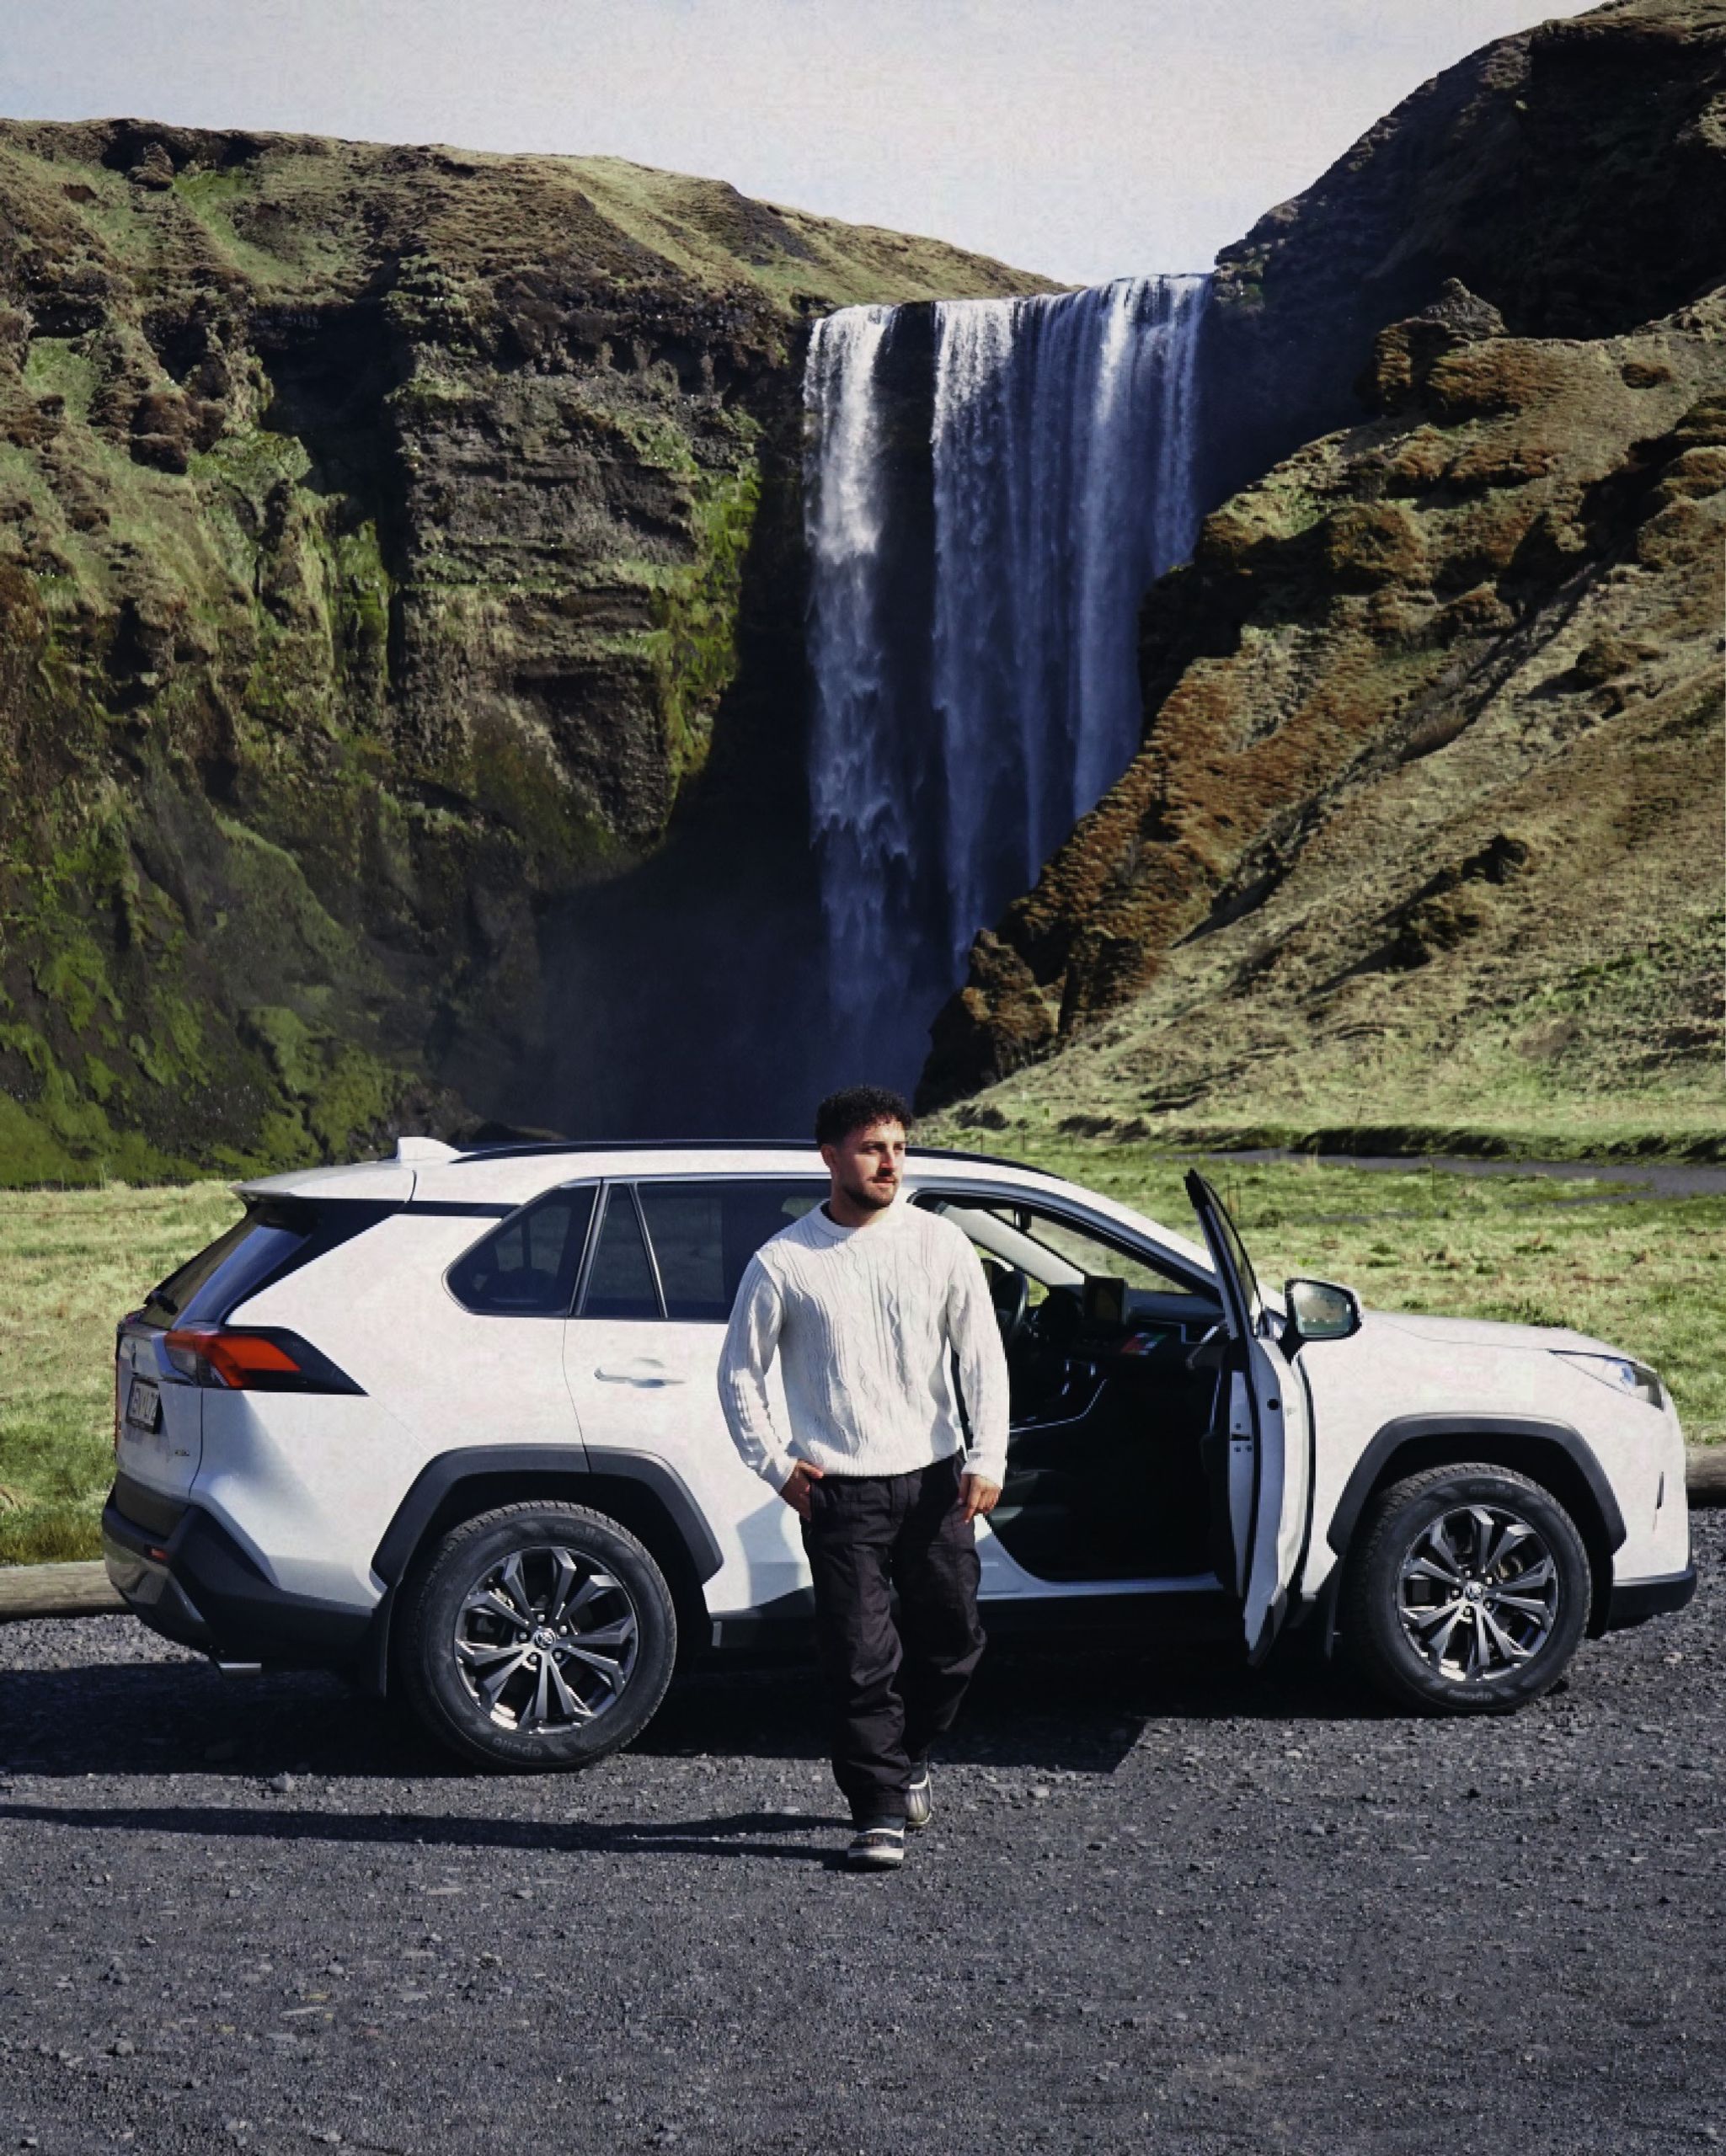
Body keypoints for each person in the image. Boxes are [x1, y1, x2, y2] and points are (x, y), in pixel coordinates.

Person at [716, 1084, 1008, 1870]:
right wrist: (775, 1465)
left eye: (899, 1147)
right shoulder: (784, 1261)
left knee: (953, 1641)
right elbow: (739, 1373)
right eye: (873, 1147)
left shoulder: (939, 1244)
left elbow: (981, 1353)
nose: (890, 1162)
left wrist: (987, 1456)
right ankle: (877, 1807)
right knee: (857, 1654)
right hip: (838, 1488)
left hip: (936, 1478)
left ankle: (904, 1755)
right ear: (830, 1156)